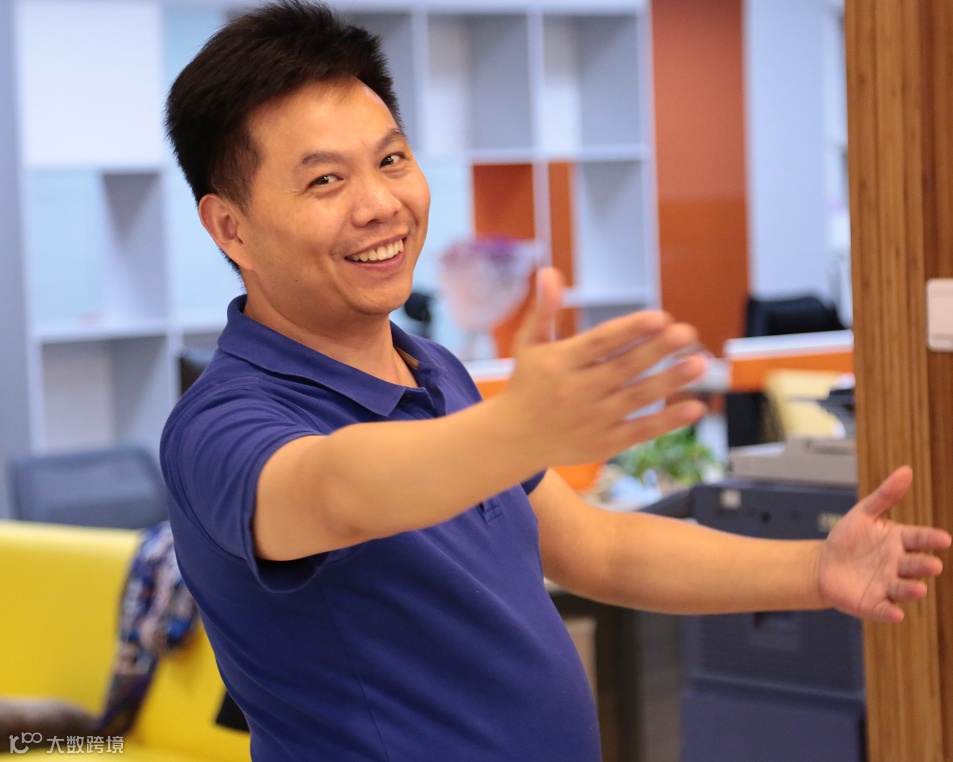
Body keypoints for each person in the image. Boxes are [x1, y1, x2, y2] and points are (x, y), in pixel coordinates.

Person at [160, 2, 951, 760]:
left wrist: (813, 569)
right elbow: (334, 491)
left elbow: (597, 548)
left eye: (391, 160)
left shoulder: (432, 368)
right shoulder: (219, 425)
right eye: (324, 181)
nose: (379, 204)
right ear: (231, 228)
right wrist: (514, 429)